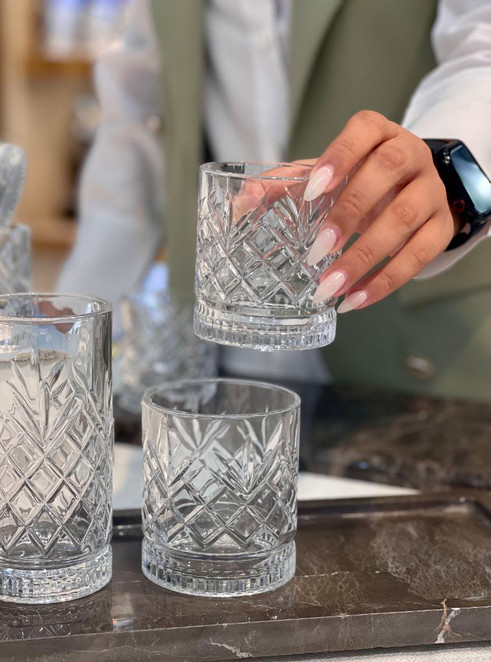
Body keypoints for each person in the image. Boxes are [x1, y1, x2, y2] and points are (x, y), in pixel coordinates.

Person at [57, 0, 491, 400]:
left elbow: (483, 45)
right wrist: (70, 326)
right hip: (219, 347)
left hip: (414, 352)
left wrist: (450, 171)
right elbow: (136, 117)